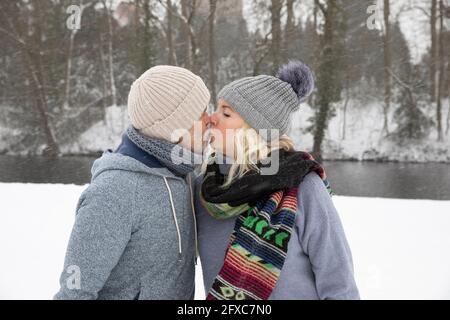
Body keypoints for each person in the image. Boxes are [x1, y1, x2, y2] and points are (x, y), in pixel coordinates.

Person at [194, 60, 360, 300]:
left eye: (226, 112)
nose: (212, 118)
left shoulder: (303, 187)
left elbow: (338, 282)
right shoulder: (202, 189)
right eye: (216, 108)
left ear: (255, 130)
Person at [55, 65, 210, 299]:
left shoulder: (183, 173)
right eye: (201, 114)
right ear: (173, 128)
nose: (211, 121)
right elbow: (74, 292)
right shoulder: (114, 192)